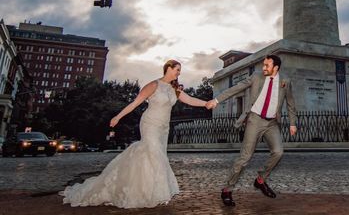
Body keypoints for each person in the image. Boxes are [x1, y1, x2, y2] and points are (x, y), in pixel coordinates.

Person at [61, 60, 213, 208]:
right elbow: (134, 103)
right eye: (177, 69)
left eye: (180, 70)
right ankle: (147, 193)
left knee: (156, 158)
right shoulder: (153, 85)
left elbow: (190, 99)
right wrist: (118, 117)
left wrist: (205, 103)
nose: (179, 73)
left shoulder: (175, 89)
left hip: (163, 128)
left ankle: (148, 191)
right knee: (155, 156)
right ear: (168, 68)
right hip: (150, 124)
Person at [211, 55, 297, 207]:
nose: (263, 68)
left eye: (267, 65)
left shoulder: (285, 81)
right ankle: (227, 190)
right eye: (263, 65)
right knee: (245, 158)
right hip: (255, 120)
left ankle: (260, 180)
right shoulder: (256, 77)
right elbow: (237, 88)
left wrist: (292, 123)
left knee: (278, 152)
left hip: (272, 123)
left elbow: (290, 103)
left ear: (276, 67)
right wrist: (216, 100)